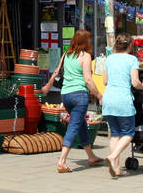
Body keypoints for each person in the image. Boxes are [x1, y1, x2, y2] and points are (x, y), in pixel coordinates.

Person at [44, 30, 103, 172]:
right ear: (86, 42)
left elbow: (57, 72)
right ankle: (62, 161)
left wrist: (47, 86)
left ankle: (91, 156)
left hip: (65, 95)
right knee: (74, 125)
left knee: (80, 123)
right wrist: (99, 95)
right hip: (79, 96)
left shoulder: (66, 54)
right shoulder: (86, 56)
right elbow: (88, 80)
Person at [99, 34, 143, 178]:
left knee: (115, 134)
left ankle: (116, 169)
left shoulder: (109, 59)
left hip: (108, 99)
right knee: (128, 133)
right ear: (130, 45)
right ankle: (113, 156)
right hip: (123, 100)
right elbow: (135, 82)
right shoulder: (132, 59)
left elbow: (105, 81)